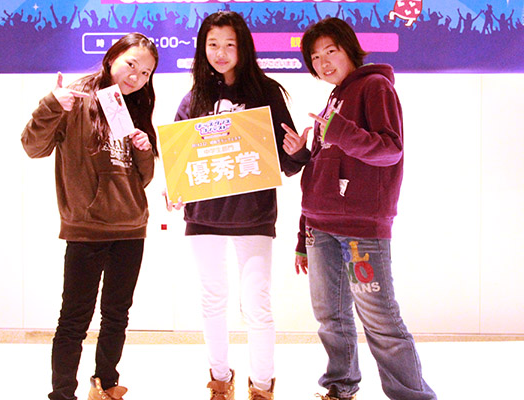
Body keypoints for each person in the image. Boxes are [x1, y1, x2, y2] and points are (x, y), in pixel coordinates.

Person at [281, 18, 437, 400]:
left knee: (380, 320)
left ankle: (413, 395)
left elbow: (389, 150)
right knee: (330, 318)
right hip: (320, 229)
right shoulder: (334, 98)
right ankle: (340, 387)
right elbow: (322, 171)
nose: (323, 62)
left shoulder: (375, 86)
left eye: (330, 51)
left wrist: (336, 131)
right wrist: (302, 157)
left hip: (361, 230)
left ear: (350, 49)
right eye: (315, 57)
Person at [169, 10, 308, 400]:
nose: (221, 52)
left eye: (229, 44)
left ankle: (262, 387)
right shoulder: (194, 97)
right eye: (212, 44)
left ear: (243, 47)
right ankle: (219, 381)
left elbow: (286, 162)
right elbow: (180, 159)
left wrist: (298, 152)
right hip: (204, 218)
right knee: (212, 301)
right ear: (202, 49)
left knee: (257, 305)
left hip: (253, 216)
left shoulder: (266, 93)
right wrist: (174, 187)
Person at [21, 33, 159, 400]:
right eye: (131, 64)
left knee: (117, 315)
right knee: (74, 319)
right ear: (112, 57)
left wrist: (144, 150)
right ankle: (63, 393)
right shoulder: (77, 97)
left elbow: (142, 178)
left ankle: (106, 385)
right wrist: (52, 105)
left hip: (131, 228)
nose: (136, 77)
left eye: (146, 73)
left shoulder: (136, 104)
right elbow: (33, 147)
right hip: (87, 229)